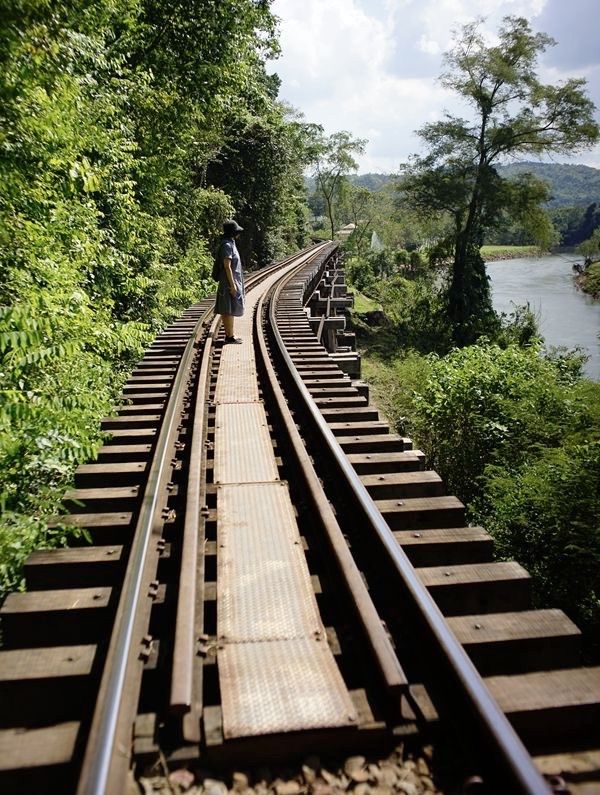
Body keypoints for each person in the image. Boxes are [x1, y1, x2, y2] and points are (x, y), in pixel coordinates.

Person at [215, 219, 246, 343]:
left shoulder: (230, 243)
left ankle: (230, 335)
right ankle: (229, 336)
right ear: (232, 233)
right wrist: (233, 285)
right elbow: (227, 266)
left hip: (231, 281)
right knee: (227, 310)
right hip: (228, 282)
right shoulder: (227, 246)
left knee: (229, 309)